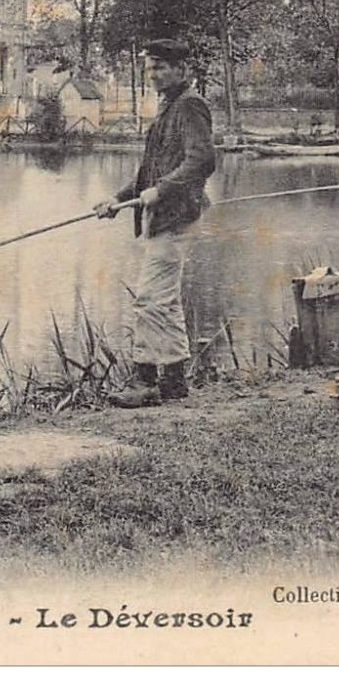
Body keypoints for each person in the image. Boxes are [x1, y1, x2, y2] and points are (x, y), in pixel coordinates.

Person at [94, 39, 216, 408]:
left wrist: (161, 191)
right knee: (165, 299)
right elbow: (150, 170)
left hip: (177, 215)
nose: (154, 74)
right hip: (163, 215)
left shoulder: (191, 105)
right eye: (150, 68)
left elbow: (203, 161)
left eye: (161, 67)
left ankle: (146, 381)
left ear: (182, 69)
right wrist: (117, 199)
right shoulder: (168, 107)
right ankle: (175, 381)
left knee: (148, 298)